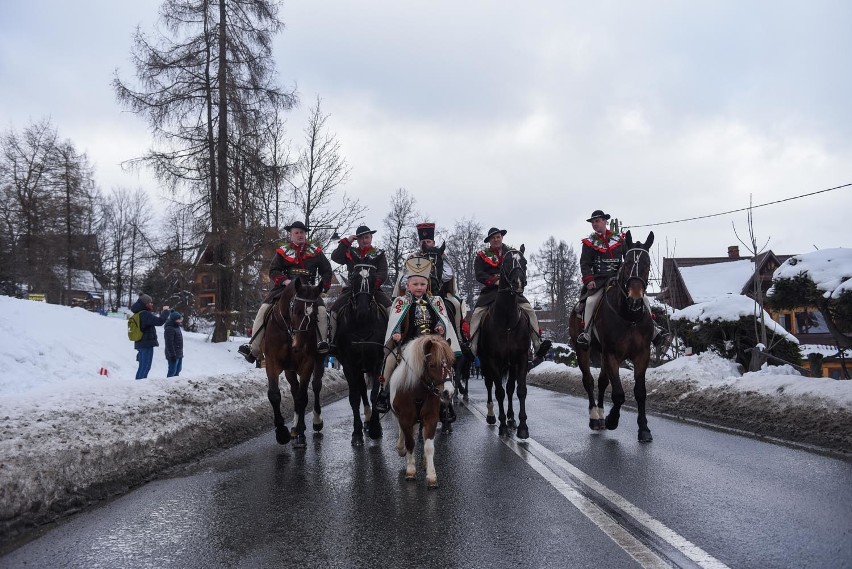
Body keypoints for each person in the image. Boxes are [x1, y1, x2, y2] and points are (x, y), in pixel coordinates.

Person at [375, 256, 461, 413]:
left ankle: (447, 399)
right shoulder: (401, 302)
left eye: (422, 284)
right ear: (408, 285)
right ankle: (384, 393)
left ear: (427, 284)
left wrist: (441, 327)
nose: (419, 287)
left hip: (432, 345)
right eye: (415, 284)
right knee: (389, 360)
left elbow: (442, 319)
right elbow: (395, 321)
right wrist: (396, 334)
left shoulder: (436, 301)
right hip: (408, 344)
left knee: (445, 364)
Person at [239, 221, 333, 363]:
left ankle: (321, 343)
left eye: (302, 232)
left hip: (308, 291)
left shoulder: (316, 252)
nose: (300, 235)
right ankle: (254, 347)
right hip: (284, 289)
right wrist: (284, 281)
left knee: (320, 310)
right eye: (297, 232)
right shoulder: (282, 252)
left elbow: (327, 270)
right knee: (264, 309)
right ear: (291, 235)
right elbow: (273, 271)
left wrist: (323, 286)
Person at [576, 209, 668, 349]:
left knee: (643, 298)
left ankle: (655, 330)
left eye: (597, 221)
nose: (595, 224)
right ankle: (586, 334)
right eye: (593, 222)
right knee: (590, 301)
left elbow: (629, 258)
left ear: (605, 222)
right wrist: (589, 280)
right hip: (599, 280)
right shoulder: (589, 243)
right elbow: (585, 263)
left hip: (619, 278)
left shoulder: (619, 240)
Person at [468, 226, 552, 364]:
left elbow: (519, 270)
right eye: (493, 238)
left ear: (502, 238)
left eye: (498, 237)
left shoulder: (512, 253)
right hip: (491, 292)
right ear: (489, 240)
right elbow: (479, 274)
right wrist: (494, 281)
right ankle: (473, 346)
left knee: (529, 310)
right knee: (477, 314)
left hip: (511, 291)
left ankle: (537, 344)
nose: (496, 239)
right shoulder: (482, 255)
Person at [328, 224, 392, 353]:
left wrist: (373, 285)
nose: (365, 240)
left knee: (391, 309)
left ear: (371, 238)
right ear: (357, 240)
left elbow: (383, 272)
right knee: (334, 310)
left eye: (367, 237)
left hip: (373, 289)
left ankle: (392, 340)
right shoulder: (350, 252)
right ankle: (332, 341)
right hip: (352, 290)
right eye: (361, 238)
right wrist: (346, 243)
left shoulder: (379, 254)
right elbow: (335, 257)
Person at [130, 294, 170, 380]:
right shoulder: (145, 314)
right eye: (150, 303)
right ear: (145, 304)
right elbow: (159, 321)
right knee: (145, 367)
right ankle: (140, 386)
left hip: (140, 343)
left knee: (142, 367)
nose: (152, 304)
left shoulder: (138, 313)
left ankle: (137, 385)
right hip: (146, 344)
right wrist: (166, 312)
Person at [164, 310, 184, 377]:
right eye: (179, 319)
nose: (180, 321)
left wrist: (180, 353)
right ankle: (168, 384)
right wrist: (172, 355)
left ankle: (175, 385)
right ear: (175, 320)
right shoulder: (169, 328)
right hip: (173, 354)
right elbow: (169, 343)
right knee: (172, 371)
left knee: (178, 370)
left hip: (179, 353)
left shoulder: (177, 327)